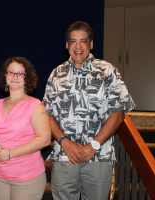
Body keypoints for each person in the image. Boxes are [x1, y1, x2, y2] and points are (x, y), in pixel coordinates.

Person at [43, 21, 135, 200]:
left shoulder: (107, 71)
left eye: (83, 41)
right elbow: (47, 114)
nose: (78, 47)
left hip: (99, 158)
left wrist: (94, 145)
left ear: (91, 44)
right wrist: (65, 142)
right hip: (64, 156)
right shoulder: (56, 74)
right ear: (66, 45)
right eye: (73, 41)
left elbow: (118, 113)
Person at [0, 56, 51, 200]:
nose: (15, 77)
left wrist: (10, 154)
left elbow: (45, 139)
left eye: (20, 73)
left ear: (27, 78)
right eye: (11, 72)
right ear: (5, 76)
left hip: (27, 178)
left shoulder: (35, 106)